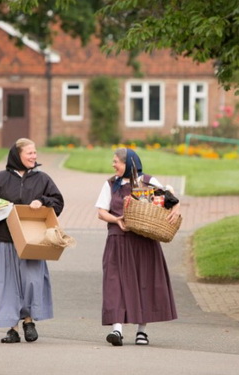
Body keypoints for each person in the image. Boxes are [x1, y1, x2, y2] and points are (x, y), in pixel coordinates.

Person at [0, 138, 64, 343]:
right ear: (17, 155)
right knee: (5, 284)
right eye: (29, 153)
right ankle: (12, 329)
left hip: (32, 242)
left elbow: (58, 202)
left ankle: (28, 321)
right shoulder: (1, 178)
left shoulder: (42, 179)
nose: (34, 156)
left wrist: (43, 201)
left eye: (35, 152)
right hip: (3, 240)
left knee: (31, 281)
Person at [95, 147, 180, 346]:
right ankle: (117, 329)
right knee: (115, 283)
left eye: (116, 161)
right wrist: (117, 220)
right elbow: (101, 211)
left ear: (128, 164)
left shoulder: (149, 182)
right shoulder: (110, 184)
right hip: (118, 240)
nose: (113, 164)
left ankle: (142, 331)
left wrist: (175, 209)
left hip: (144, 242)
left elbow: (171, 201)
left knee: (145, 282)